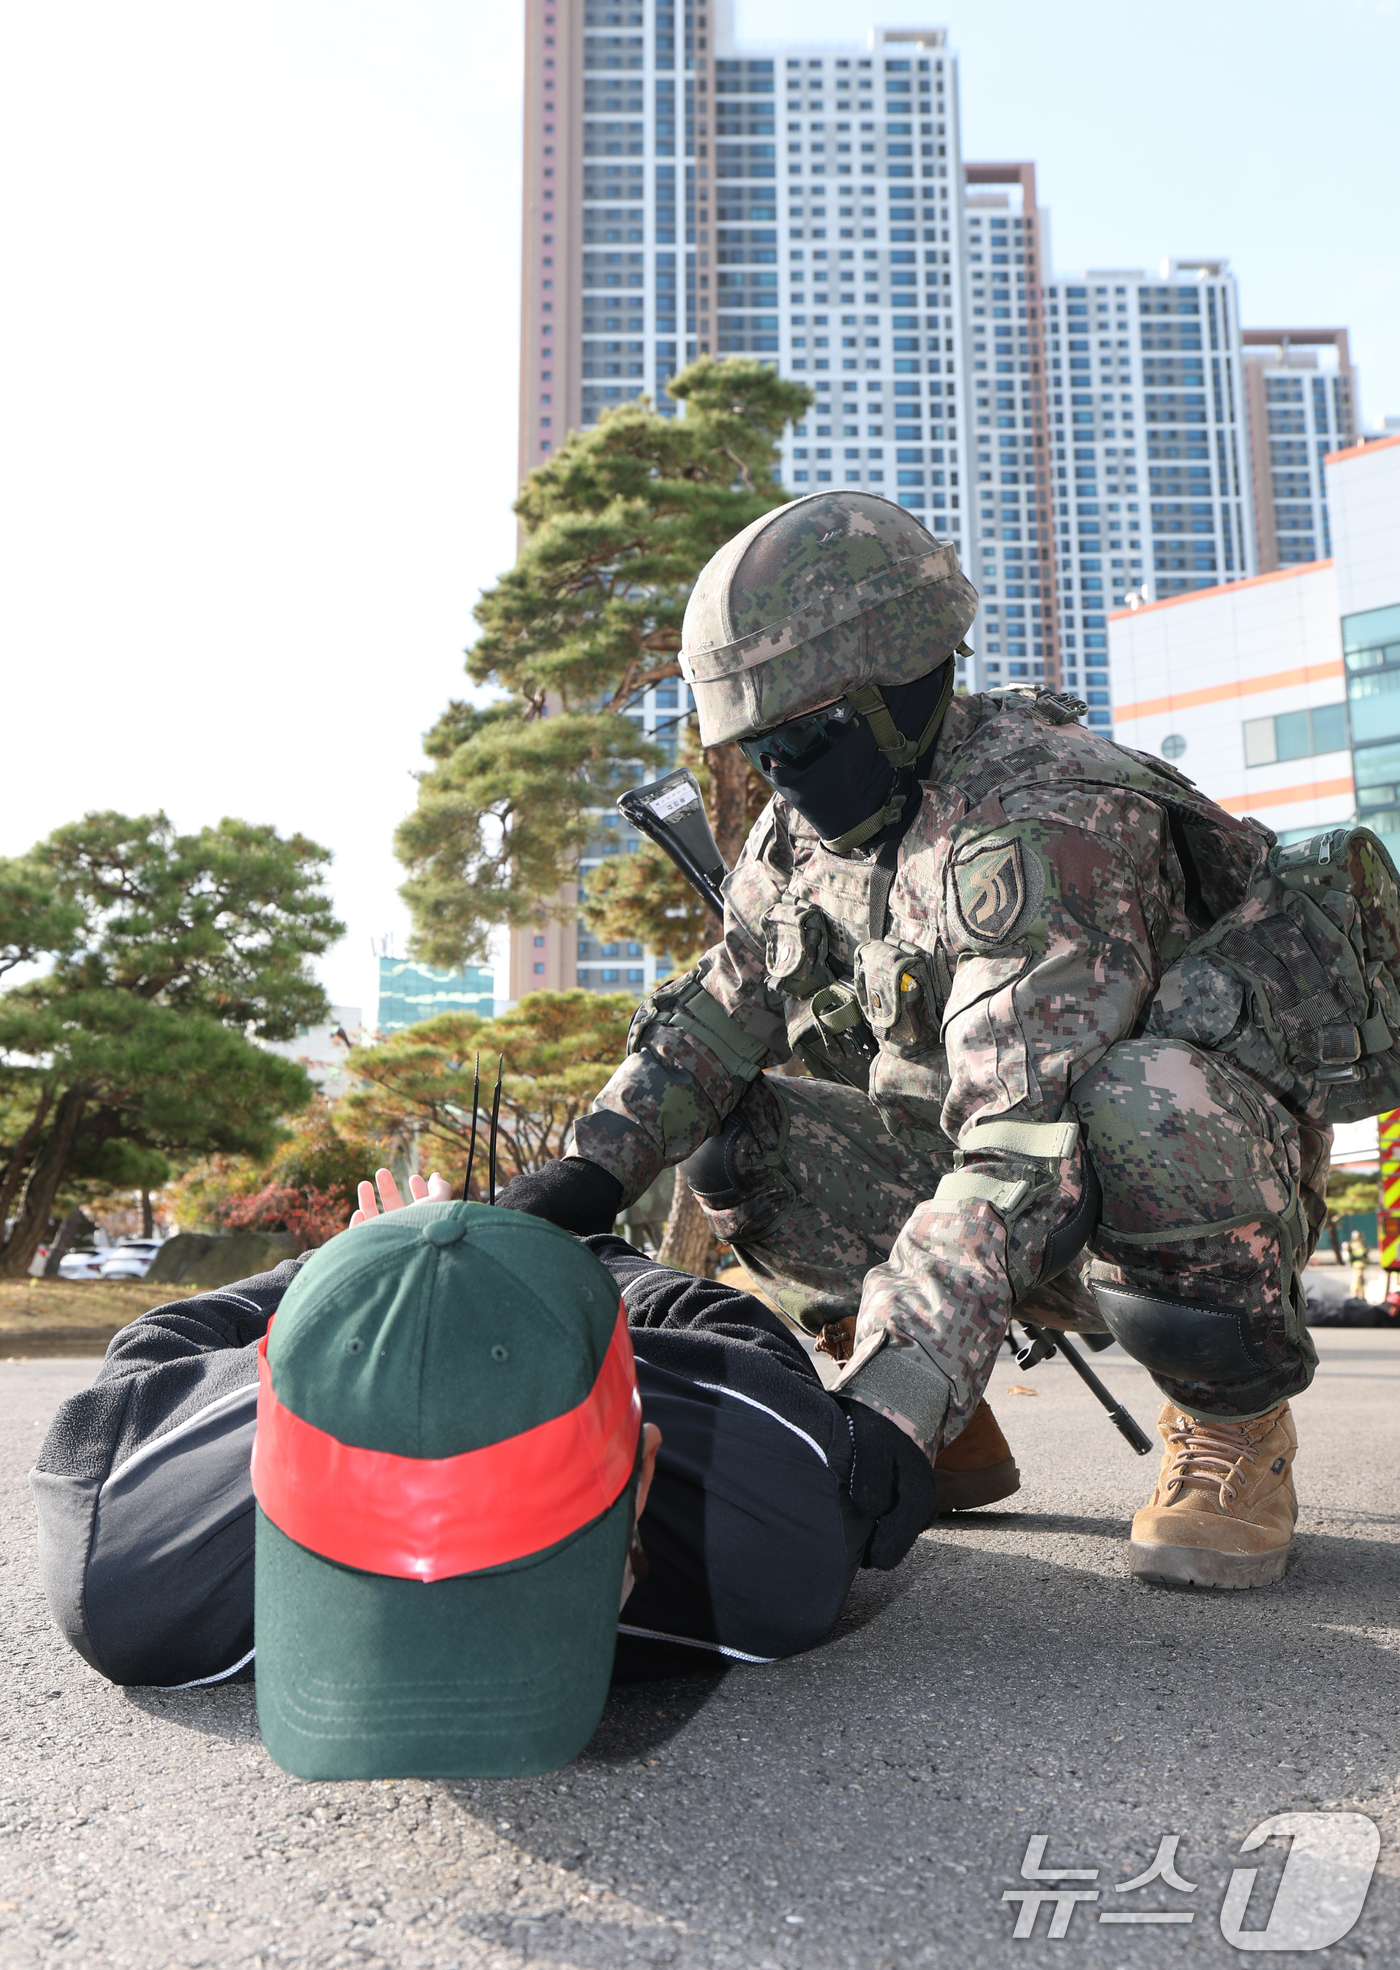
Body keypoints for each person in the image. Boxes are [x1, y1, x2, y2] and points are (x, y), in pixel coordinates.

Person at [496, 489, 1368, 1592]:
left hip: (1177, 1192)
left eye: (807, 735)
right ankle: (942, 1415)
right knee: (731, 1126)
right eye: (760, 747)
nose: (782, 774)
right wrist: (585, 1165)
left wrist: (893, 1399)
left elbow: (1019, 1148)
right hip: (984, 1187)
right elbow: (718, 1013)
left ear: (904, 687)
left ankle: (1229, 1422)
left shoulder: (1042, 818)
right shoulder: (800, 833)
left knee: (1147, 1095)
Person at [29, 1171, 941, 1761]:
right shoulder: (779, 1536)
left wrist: (331, 1274)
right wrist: (573, 1264)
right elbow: (725, 1327)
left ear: (643, 1476)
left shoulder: (130, 1566)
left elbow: (157, 1347)